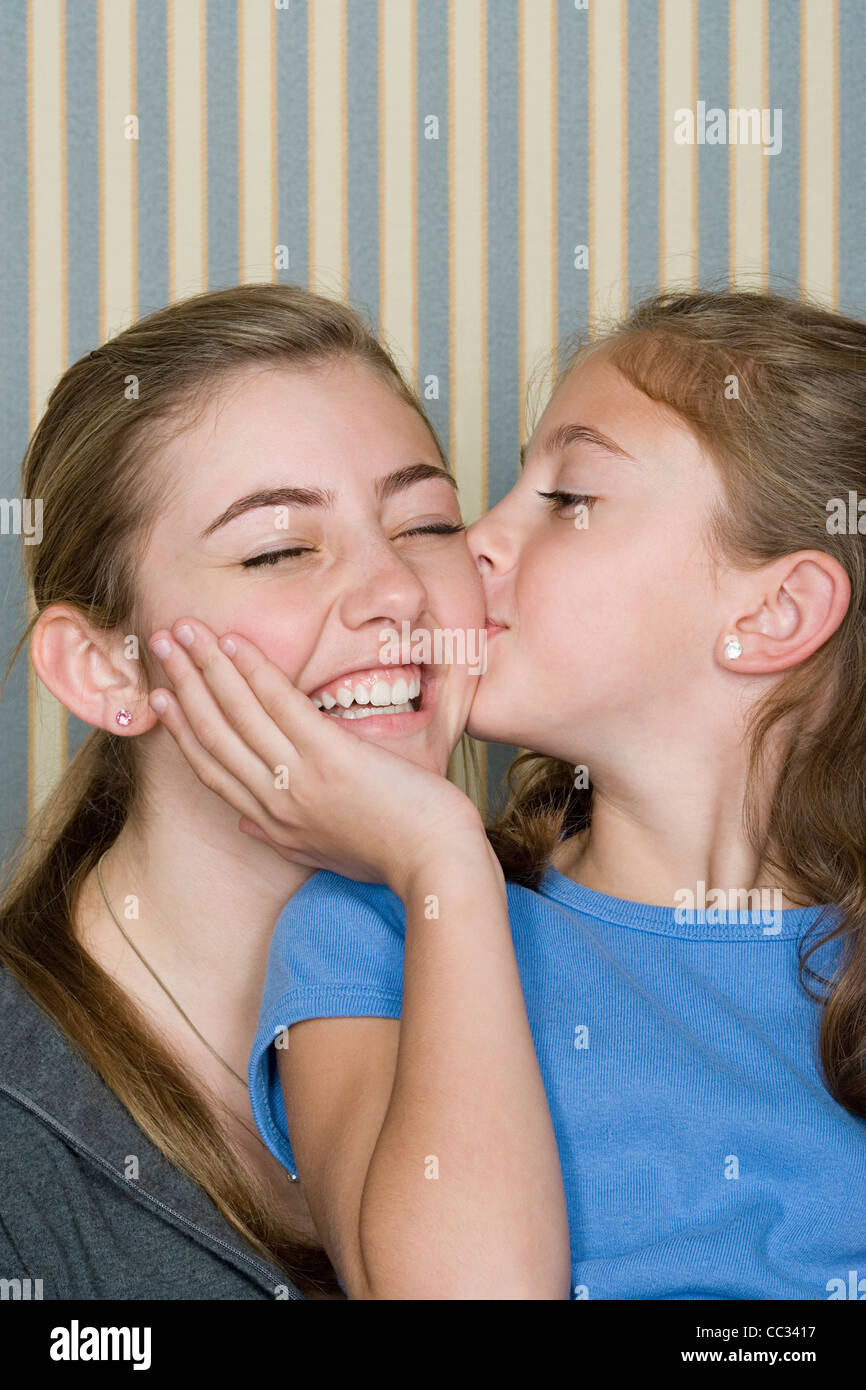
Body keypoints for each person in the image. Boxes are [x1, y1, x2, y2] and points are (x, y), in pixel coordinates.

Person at [149, 290, 866, 1300]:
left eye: (567, 498)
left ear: (776, 611)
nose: (474, 542)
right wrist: (441, 859)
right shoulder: (373, 933)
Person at [0, 281, 505, 1299]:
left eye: (425, 523)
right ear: (105, 670)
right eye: (278, 548)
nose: (397, 591)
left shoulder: (576, 990)